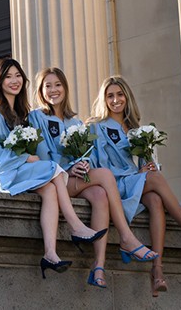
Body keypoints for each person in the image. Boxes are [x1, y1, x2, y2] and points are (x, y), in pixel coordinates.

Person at [88, 75, 181, 298]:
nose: (115, 100)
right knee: (156, 179)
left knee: (156, 199)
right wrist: (141, 174)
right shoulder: (97, 128)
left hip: (137, 185)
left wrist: (148, 166)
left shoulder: (136, 129)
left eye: (119, 94)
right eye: (110, 96)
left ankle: (157, 270)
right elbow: (98, 167)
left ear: (127, 97)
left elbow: (145, 164)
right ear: (104, 99)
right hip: (116, 186)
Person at [0, 57, 106, 279]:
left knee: (49, 189)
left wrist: (26, 157)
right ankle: (76, 226)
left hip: (18, 171)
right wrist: (25, 158)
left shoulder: (19, 114)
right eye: (8, 77)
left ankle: (50, 254)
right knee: (51, 168)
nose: (14, 81)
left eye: (18, 76)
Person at [29, 67, 157, 289]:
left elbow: (87, 155)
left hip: (75, 179)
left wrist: (83, 162)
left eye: (57, 84)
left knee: (99, 194)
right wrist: (68, 169)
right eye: (47, 86)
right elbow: (41, 158)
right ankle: (126, 237)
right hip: (54, 180)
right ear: (40, 90)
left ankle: (98, 267)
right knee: (105, 175)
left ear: (65, 88)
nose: (53, 90)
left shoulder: (76, 123)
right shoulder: (36, 117)